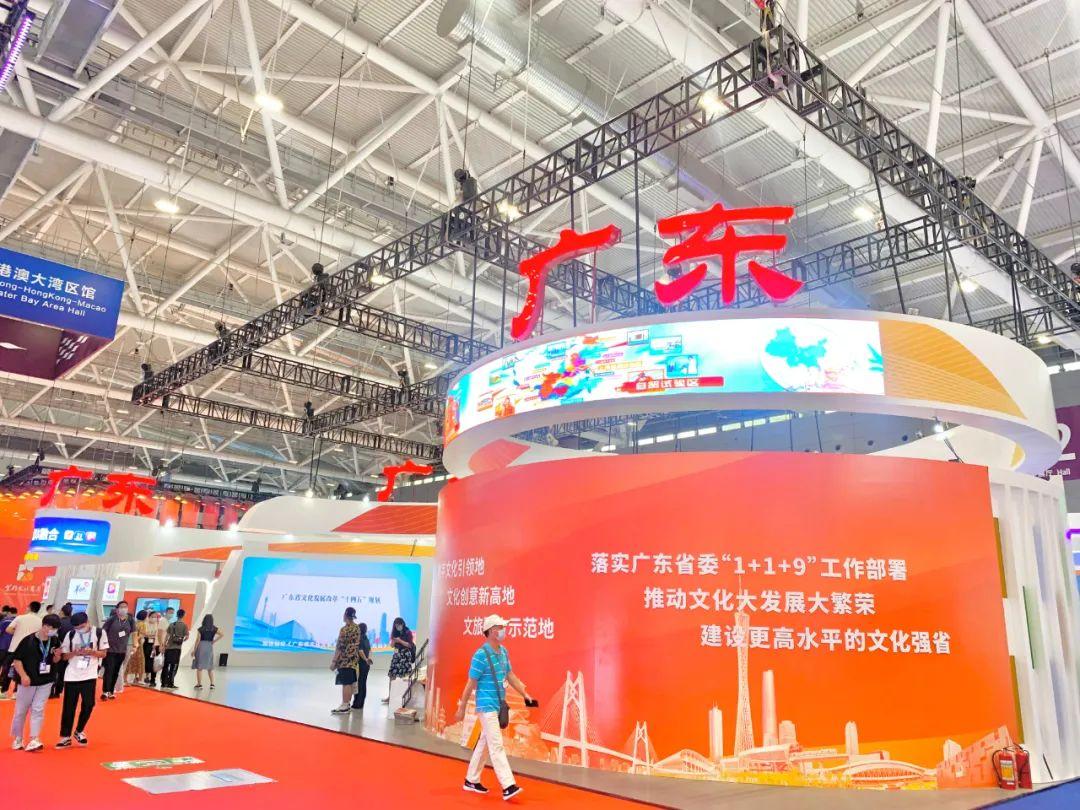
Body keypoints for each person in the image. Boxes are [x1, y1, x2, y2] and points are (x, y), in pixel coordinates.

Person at [455, 615, 534, 800]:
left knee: (484, 743)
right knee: (496, 744)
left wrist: (525, 694)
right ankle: (508, 785)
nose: (504, 630)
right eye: (500, 627)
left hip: (498, 704)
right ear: (491, 631)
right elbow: (470, 683)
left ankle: (471, 780)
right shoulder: (480, 655)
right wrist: (462, 707)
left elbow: (510, 676)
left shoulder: (503, 652)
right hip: (486, 706)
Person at [9, 614, 62, 752]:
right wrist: (23, 676)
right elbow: (17, 660)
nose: (53, 631)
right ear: (45, 626)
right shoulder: (28, 641)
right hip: (28, 681)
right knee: (21, 710)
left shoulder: (55, 640)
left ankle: (34, 738)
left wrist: (57, 656)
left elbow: (55, 660)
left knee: (38, 709)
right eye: (52, 628)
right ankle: (18, 738)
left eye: (55, 629)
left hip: (46, 680)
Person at [57, 612, 106, 748]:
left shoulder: (99, 633)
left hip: (90, 675)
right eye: (77, 628)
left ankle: (79, 730)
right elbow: (64, 656)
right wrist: (75, 652)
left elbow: (103, 653)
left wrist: (92, 652)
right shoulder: (70, 634)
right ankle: (65, 736)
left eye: (82, 626)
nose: (79, 629)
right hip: (72, 675)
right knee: (69, 707)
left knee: (89, 704)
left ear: (87, 622)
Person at [100, 600, 135, 699]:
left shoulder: (130, 620)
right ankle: (105, 691)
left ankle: (111, 691)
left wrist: (135, 645)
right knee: (109, 670)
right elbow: (103, 632)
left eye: (125, 607)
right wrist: (104, 645)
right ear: (117, 609)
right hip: (110, 649)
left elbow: (133, 632)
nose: (124, 609)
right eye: (121, 607)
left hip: (122, 650)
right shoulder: (112, 619)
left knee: (116, 671)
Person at [330, 607, 360, 714]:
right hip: (353, 660)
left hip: (345, 660)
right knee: (350, 682)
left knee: (346, 683)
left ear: (346, 615)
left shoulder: (344, 629)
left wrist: (334, 661)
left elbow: (340, 646)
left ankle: (345, 705)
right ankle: (347, 704)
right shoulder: (357, 628)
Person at [383, 617, 415, 704]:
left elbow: (409, 645)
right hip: (396, 656)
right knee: (391, 676)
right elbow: (392, 646)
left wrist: (400, 641)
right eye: (396, 626)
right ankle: (390, 696)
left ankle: (403, 697)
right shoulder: (395, 632)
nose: (398, 627)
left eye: (399, 625)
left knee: (404, 677)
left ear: (402, 624)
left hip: (405, 656)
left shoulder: (408, 632)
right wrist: (393, 641)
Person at [50, 604, 75, 699]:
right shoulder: (73, 623)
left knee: (54, 669)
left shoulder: (59, 623)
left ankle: (51, 690)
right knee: (63, 671)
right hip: (69, 652)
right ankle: (58, 691)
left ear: (62, 612)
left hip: (57, 649)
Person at [192, 615, 221, 689]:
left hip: (201, 646)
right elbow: (222, 634)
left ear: (204, 620)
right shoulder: (214, 628)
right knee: (210, 667)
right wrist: (214, 641)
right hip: (209, 647)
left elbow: (197, 640)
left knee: (199, 667)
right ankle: (212, 684)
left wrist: (194, 650)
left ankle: (199, 684)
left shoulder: (201, 629)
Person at [161, 609, 188, 689]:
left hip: (169, 647)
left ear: (177, 615)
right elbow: (186, 637)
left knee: (166, 665)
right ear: (184, 615)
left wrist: (164, 645)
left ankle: (163, 683)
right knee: (174, 666)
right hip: (177, 648)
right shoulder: (184, 625)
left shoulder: (172, 624)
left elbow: (167, 636)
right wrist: (181, 639)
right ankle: (171, 683)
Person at [351, 622, 374, 710]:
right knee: (363, 683)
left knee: (359, 683)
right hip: (366, 665)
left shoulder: (359, 638)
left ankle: (357, 703)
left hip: (360, 664)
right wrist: (368, 659)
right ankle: (361, 703)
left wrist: (365, 659)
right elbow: (370, 650)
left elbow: (360, 651)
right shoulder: (366, 638)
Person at [141, 610, 163, 688]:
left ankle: (152, 679)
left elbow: (159, 636)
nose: (154, 618)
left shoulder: (158, 625)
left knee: (154, 661)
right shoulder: (145, 624)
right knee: (147, 660)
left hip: (155, 645)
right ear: (149, 617)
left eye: (155, 617)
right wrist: (148, 635)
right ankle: (146, 676)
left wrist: (158, 644)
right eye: (152, 617)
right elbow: (144, 634)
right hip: (146, 644)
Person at [126, 610, 147, 686]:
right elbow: (141, 635)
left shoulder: (134, 623)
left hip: (130, 644)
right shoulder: (143, 624)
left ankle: (128, 678)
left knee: (129, 661)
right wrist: (136, 640)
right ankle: (140, 679)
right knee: (141, 661)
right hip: (138, 645)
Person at [0, 605, 16, 700]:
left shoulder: (4, 621)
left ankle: (2, 689)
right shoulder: (18, 621)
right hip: (13, 648)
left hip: (2, 647)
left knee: (4, 667)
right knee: (8, 668)